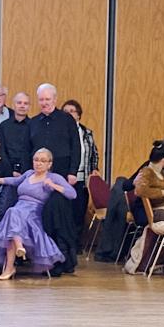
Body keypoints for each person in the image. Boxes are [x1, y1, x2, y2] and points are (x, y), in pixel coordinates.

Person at [0, 148, 78, 279]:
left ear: (49, 164)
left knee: (11, 214)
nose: (38, 163)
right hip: (19, 211)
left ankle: (11, 265)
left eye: (43, 161)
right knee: (13, 216)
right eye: (36, 160)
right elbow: (14, 181)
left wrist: (53, 186)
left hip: (34, 214)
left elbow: (72, 194)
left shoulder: (54, 177)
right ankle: (15, 255)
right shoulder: (29, 174)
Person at [61, 99, 99, 235]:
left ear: (78, 115)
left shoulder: (86, 132)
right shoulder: (59, 132)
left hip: (82, 178)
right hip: (64, 178)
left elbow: (94, 153)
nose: (68, 114)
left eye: (72, 111)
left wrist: (94, 168)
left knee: (79, 211)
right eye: (65, 112)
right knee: (65, 212)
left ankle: (76, 241)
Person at [28, 83, 80, 181]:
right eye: (41, 100)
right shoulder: (32, 122)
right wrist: (26, 172)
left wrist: (73, 172)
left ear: (55, 100)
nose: (44, 103)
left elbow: (75, 146)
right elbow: (26, 149)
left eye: (47, 99)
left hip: (62, 172)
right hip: (37, 174)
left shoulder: (67, 120)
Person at [0, 91, 32, 174]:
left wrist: (24, 171)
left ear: (29, 107)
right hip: (7, 171)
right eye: (19, 103)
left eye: (25, 103)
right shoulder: (4, 126)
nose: (22, 106)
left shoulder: (34, 126)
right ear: (13, 105)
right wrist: (10, 171)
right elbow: (1, 151)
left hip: (29, 172)